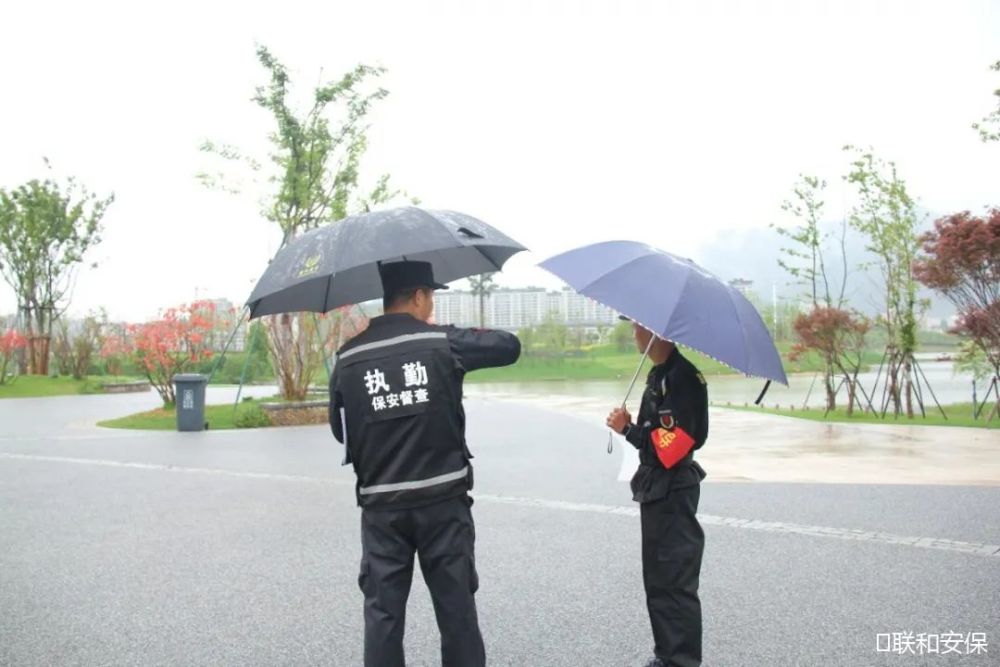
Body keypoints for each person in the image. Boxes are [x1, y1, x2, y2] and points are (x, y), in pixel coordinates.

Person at [329, 260, 520, 667]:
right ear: (418, 296)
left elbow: (339, 430)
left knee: (383, 615)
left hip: (382, 508)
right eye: (430, 297)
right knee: (456, 612)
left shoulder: (347, 358)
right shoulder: (443, 343)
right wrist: (445, 333)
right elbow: (509, 346)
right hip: (443, 504)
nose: (430, 306)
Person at [606, 318, 708, 667]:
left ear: (657, 334)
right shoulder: (658, 375)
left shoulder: (682, 380)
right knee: (657, 580)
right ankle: (666, 654)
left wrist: (628, 430)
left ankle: (682, 661)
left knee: (676, 581)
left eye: (638, 327)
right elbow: (656, 437)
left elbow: (671, 448)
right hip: (655, 490)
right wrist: (632, 428)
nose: (634, 333)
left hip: (673, 491)